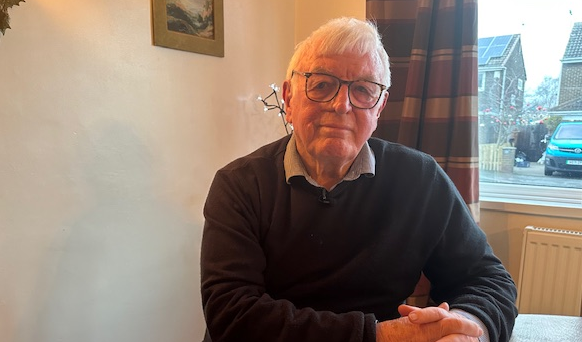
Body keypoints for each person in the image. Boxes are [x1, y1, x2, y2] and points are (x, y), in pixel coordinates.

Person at [200, 17, 517, 342]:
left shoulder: (419, 179)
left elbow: (487, 279)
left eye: (364, 90)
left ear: (379, 108)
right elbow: (232, 315)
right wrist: (380, 335)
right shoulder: (238, 185)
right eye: (321, 84)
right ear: (289, 98)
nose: (342, 105)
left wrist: (467, 327)